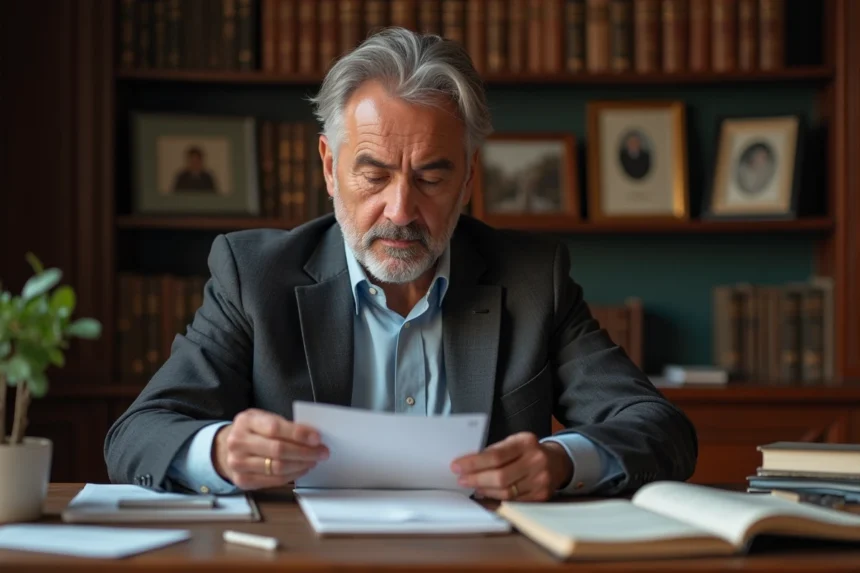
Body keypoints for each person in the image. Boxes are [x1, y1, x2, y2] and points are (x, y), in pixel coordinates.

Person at [105, 28, 697, 501]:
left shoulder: (530, 278)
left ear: (468, 178)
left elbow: (659, 428)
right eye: (374, 173)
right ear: (330, 167)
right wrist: (218, 451)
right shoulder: (254, 275)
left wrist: (561, 460)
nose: (401, 210)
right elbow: (139, 433)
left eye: (431, 176)